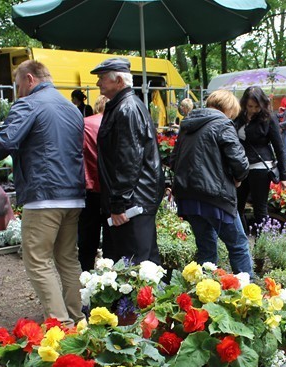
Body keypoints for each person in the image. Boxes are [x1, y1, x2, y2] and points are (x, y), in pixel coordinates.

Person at [0, 60, 86, 326]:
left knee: (37, 259)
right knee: (68, 258)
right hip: (73, 194)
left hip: (43, 195)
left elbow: (6, 139)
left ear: (29, 79)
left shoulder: (30, 104)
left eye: (17, 85)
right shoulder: (72, 109)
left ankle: (60, 325)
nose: (18, 92)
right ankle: (78, 318)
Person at [170, 89, 252, 275]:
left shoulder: (187, 124)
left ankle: (204, 294)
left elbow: (173, 160)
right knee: (238, 245)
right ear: (229, 108)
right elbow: (240, 162)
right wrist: (238, 178)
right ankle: (249, 295)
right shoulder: (222, 123)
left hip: (188, 197)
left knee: (206, 248)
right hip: (216, 197)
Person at [94, 57, 164, 264]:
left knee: (135, 266)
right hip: (135, 200)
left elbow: (128, 161)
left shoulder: (126, 109)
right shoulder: (122, 107)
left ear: (119, 81)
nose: (98, 83)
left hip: (132, 204)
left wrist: (119, 204)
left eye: (102, 78)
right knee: (142, 264)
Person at [233, 86, 286, 233]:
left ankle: (261, 249)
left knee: (260, 209)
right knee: (236, 207)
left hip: (261, 167)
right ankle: (242, 241)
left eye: (256, 107)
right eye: (250, 106)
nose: (253, 110)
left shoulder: (269, 118)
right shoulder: (239, 116)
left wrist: (284, 175)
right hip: (241, 167)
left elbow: (279, 147)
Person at [78, 95, 108, 272]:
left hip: (88, 186)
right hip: (111, 189)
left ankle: (87, 273)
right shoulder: (116, 124)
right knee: (112, 236)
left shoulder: (84, 124)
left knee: (87, 236)